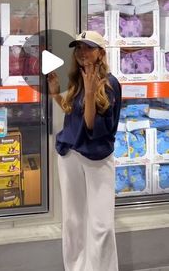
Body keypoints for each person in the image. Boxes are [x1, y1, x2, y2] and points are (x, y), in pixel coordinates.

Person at [48, 30, 121, 271]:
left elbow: (91, 126)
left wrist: (90, 92)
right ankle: (76, 268)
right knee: (73, 220)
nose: (82, 52)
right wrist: (56, 94)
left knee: (101, 224)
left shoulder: (109, 83)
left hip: (97, 158)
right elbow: (74, 113)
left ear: (100, 53)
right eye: (78, 48)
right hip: (70, 154)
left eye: (88, 47)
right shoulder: (79, 78)